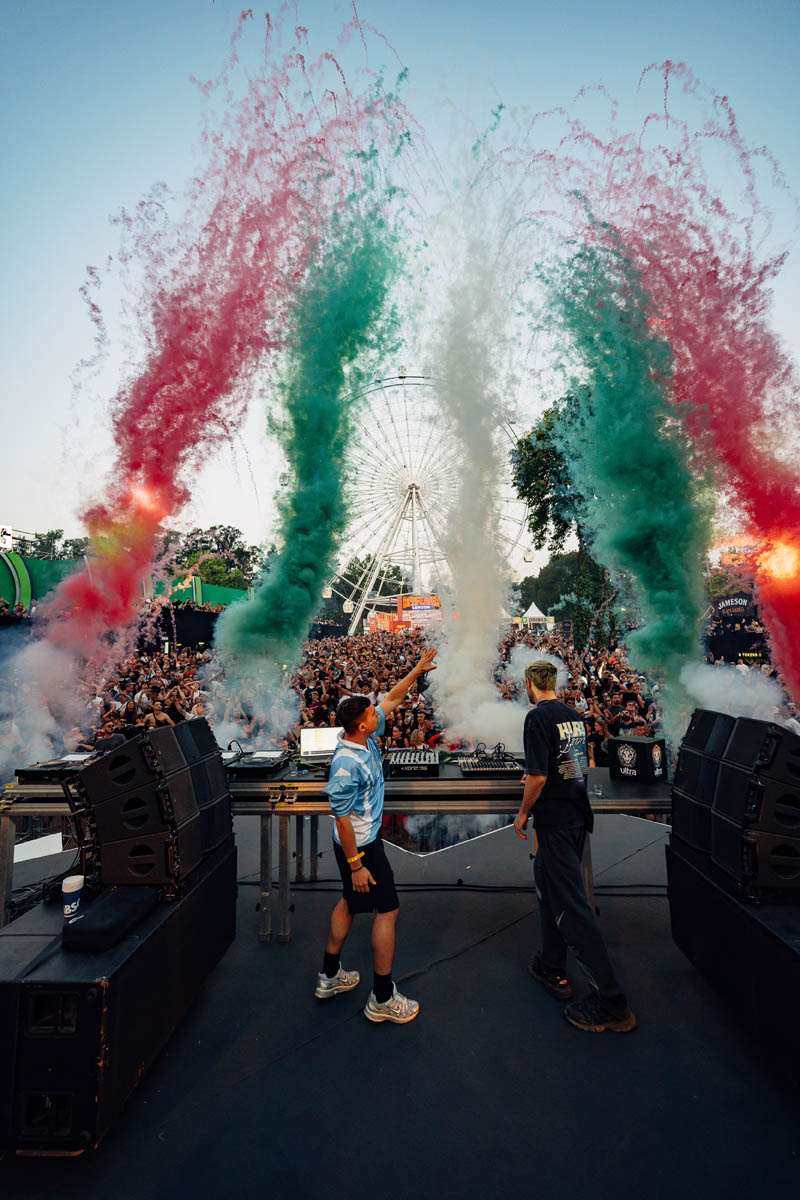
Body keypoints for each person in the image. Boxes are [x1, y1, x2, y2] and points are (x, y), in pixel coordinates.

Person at [314, 646, 438, 1024]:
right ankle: (382, 998)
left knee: (350, 904)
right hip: (360, 847)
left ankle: (329, 976)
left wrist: (416, 670)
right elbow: (342, 821)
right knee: (387, 911)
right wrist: (356, 866)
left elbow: (393, 699)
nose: (378, 712)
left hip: (356, 845)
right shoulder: (345, 765)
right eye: (371, 713)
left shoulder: (360, 734)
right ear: (362, 727)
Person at [513, 659, 636, 1034]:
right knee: (545, 883)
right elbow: (576, 764)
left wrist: (523, 813)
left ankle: (611, 1002)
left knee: (573, 909)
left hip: (555, 820)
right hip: (577, 813)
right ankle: (551, 966)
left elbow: (538, 777)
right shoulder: (573, 715)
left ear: (530, 683)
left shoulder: (536, 718)